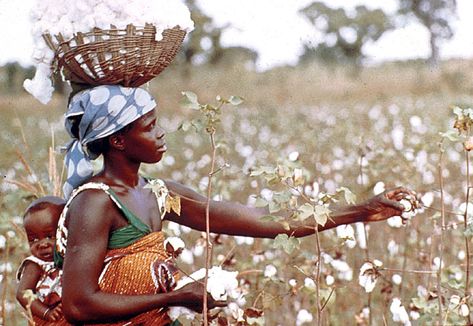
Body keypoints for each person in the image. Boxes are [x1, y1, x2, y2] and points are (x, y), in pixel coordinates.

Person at [56, 85, 411, 325]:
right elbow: (77, 304)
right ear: (118, 140)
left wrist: (362, 211)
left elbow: (264, 221)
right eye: (149, 128)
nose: (161, 133)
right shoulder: (94, 202)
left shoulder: (159, 192)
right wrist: (172, 298)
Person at [16, 196, 66, 325]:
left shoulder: (70, 256)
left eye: (49, 236)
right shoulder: (35, 264)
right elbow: (22, 293)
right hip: (45, 318)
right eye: (33, 239)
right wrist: (46, 312)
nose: (42, 244)